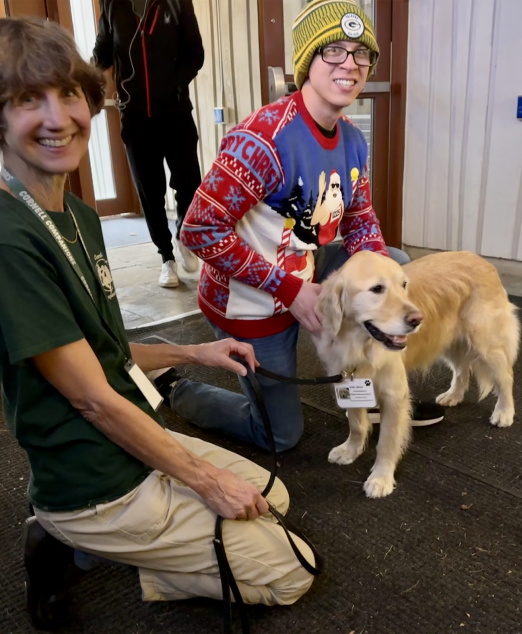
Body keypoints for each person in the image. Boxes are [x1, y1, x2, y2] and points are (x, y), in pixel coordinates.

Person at [0, 17, 314, 629]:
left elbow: (109, 352)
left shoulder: (79, 217)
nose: (58, 116)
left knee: (273, 497)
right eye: (25, 100)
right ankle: (63, 533)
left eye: (68, 93)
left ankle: (133, 545)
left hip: (135, 441)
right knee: (292, 570)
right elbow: (93, 398)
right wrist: (205, 481)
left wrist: (197, 355)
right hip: (91, 478)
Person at [171, 0, 445, 453]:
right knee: (281, 436)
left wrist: (373, 273)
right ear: (307, 61)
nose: (351, 65)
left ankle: (372, 383)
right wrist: (290, 292)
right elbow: (199, 229)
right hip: (249, 299)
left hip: (303, 265)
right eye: (334, 50)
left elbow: (360, 221)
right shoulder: (263, 139)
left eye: (362, 54)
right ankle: (179, 388)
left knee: (391, 265)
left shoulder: (353, 139)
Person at [92, 0, 204, 289]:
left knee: (189, 183)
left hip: (176, 114)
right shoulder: (112, 4)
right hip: (135, 117)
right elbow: (104, 51)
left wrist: (173, 86)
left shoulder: (177, 3)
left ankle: (184, 234)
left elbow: (195, 54)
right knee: (149, 191)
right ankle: (166, 258)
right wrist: (83, 79)